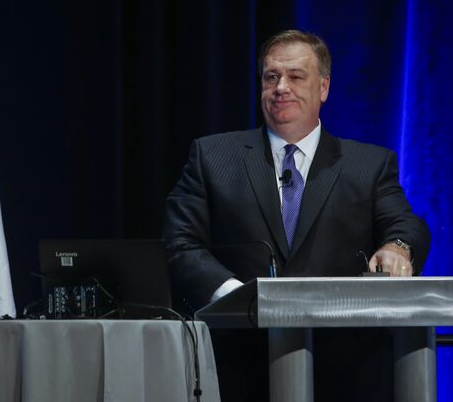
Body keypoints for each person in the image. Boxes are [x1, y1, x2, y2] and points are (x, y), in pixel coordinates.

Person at [163, 30, 430, 401]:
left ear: (323, 87)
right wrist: (242, 300)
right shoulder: (212, 157)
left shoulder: (368, 164)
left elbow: (405, 224)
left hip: (345, 371)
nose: (281, 88)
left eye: (295, 76)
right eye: (271, 77)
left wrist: (398, 247)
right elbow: (180, 243)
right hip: (236, 365)